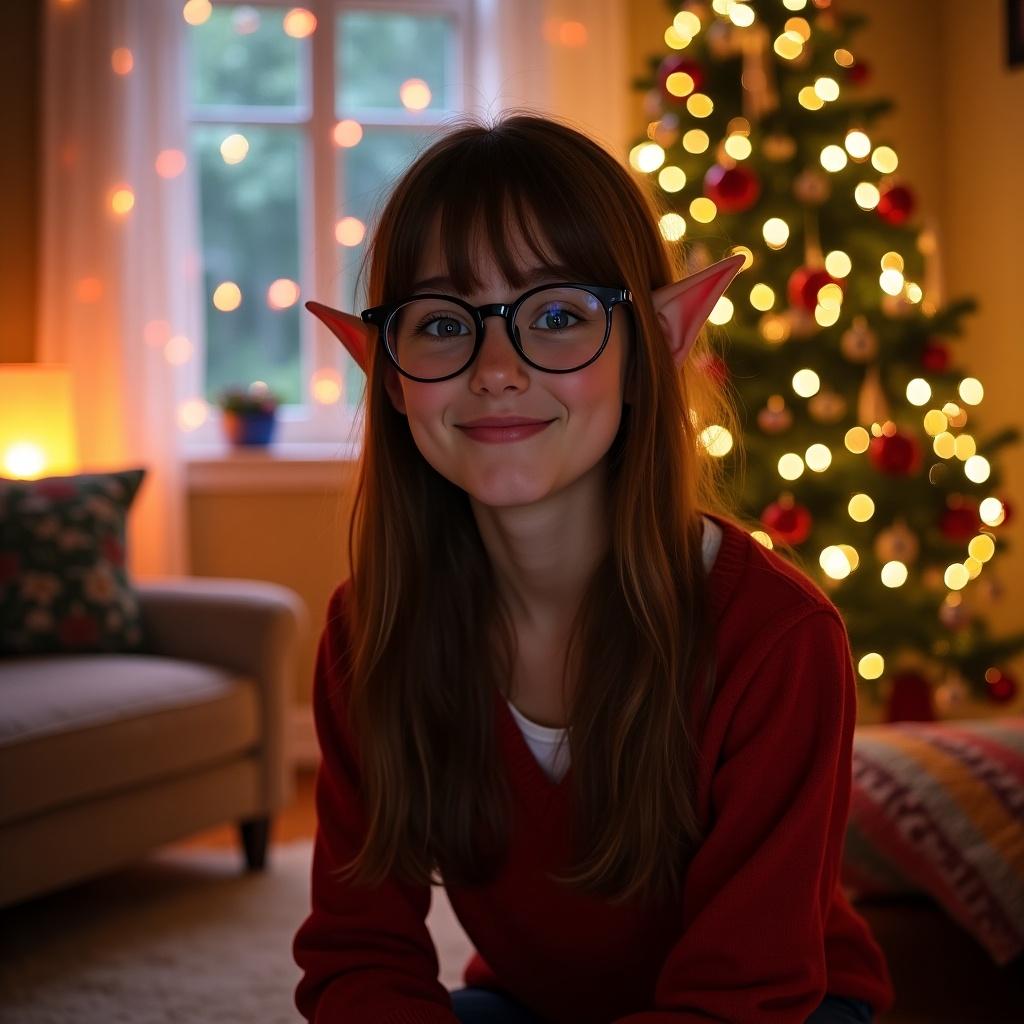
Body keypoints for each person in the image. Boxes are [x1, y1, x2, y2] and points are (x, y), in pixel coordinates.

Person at [291, 110, 895, 1024]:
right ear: (390, 370)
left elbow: (742, 993)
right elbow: (359, 952)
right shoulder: (369, 631)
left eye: (560, 314)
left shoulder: (778, 639)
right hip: (535, 1004)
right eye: (444, 324)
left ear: (653, 343)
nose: (495, 367)